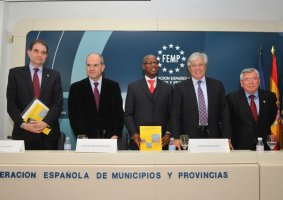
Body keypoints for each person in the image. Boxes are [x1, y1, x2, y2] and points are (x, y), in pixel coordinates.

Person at [6, 39, 63, 150]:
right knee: (23, 168)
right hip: (23, 134)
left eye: (43, 52)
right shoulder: (15, 73)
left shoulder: (54, 75)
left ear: (46, 56)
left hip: (48, 135)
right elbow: (11, 104)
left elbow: (58, 103)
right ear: (29, 52)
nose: (40, 55)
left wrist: (45, 122)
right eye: (36, 51)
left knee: (48, 167)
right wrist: (23, 124)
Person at [171, 52, 232, 149]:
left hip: (214, 137)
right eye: (194, 65)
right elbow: (175, 114)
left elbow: (225, 113)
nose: (197, 68)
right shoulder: (180, 87)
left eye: (200, 65)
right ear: (189, 68)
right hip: (188, 139)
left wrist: (227, 138)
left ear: (205, 66)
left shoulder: (217, 85)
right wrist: (176, 137)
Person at [68, 52, 124, 139]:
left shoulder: (113, 87)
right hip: (85, 140)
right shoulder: (76, 88)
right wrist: (81, 135)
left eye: (95, 65)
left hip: (109, 140)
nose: (91, 68)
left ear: (102, 67)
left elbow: (118, 113)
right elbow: (73, 116)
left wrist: (116, 134)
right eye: (89, 65)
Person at [124, 54, 173, 150]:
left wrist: (168, 133)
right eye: (149, 63)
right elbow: (128, 114)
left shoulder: (168, 88)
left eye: (155, 62)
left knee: (161, 165)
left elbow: (172, 114)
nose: (153, 65)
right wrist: (134, 133)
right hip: (139, 141)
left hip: (161, 142)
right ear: (143, 66)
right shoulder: (133, 87)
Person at [227, 68, 277, 150]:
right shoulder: (231, 98)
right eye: (247, 79)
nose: (251, 82)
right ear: (241, 83)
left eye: (254, 78)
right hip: (240, 146)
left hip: (264, 146)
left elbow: (271, 118)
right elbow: (227, 121)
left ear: (259, 81)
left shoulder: (270, 97)